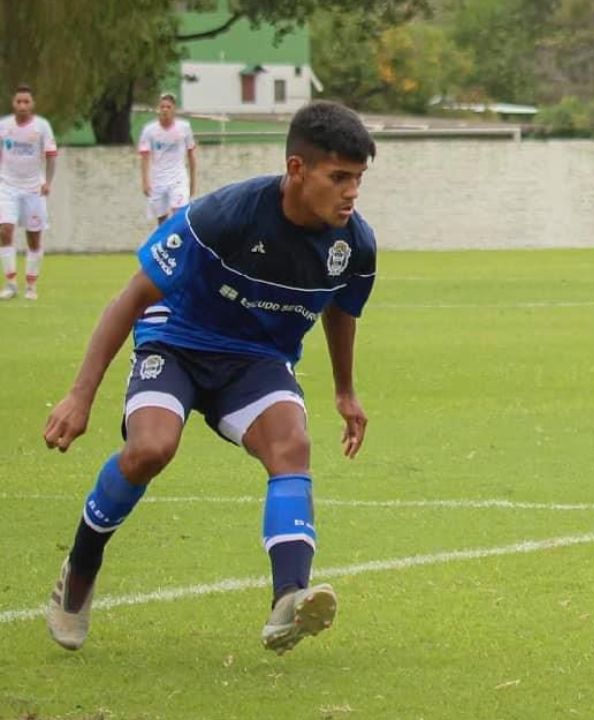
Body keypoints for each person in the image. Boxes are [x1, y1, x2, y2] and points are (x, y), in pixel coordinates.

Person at [41, 101, 377, 655]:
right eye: (338, 177)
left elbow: (342, 309)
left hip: (255, 358)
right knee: (150, 448)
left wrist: (344, 390)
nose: (351, 192)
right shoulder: (223, 215)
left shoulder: (354, 244)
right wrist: (80, 396)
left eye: (358, 179)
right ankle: (79, 570)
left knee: (292, 446)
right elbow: (130, 297)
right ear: (297, 169)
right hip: (177, 340)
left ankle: (289, 601)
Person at [0, 84, 57, 300]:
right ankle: (11, 283)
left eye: (26, 102)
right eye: (18, 102)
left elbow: (51, 155)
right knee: (5, 230)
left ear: (32, 104)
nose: (22, 106)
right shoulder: (4, 126)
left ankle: (31, 285)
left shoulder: (41, 127)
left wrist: (48, 182)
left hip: (33, 188)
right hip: (7, 187)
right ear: (13, 104)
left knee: (33, 238)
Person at [138, 92, 197, 226]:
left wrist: (193, 182)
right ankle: (165, 245)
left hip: (178, 179)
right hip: (158, 179)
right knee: (161, 218)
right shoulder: (149, 130)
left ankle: (178, 244)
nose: (165, 110)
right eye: (162, 107)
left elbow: (191, 155)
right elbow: (145, 156)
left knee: (179, 215)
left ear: (174, 109)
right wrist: (145, 182)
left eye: (168, 107)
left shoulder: (184, 128)